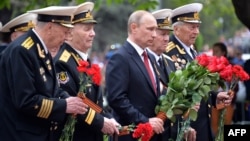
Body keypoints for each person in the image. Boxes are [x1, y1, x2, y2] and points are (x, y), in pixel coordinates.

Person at [0, 6, 89, 141]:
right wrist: (64, 105)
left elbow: (50, 88)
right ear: (50, 27)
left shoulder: (40, 48)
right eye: (65, 32)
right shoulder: (22, 50)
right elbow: (26, 101)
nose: (66, 38)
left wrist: (70, 100)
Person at [164, 3, 232, 141]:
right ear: (176, 29)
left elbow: (197, 88)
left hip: (201, 125)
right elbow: (171, 95)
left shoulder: (192, 50)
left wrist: (215, 97)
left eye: (197, 27)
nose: (196, 32)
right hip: (186, 129)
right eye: (192, 27)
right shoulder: (169, 53)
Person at [54, 2, 120, 141]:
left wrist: (108, 118)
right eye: (87, 29)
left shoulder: (83, 59)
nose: (93, 34)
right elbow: (73, 103)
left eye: (93, 29)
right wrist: (100, 122)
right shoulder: (62, 62)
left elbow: (95, 102)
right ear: (69, 34)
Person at [105, 10, 165, 141]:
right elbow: (117, 99)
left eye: (155, 30)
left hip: (152, 134)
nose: (154, 35)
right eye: (150, 29)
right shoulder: (120, 57)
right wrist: (145, 121)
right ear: (134, 28)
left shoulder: (149, 57)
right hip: (131, 135)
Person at [211, 42, 237, 136]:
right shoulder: (210, 67)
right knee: (214, 127)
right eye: (213, 51)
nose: (214, 54)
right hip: (215, 102)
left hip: (227, 101)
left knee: (226, 125)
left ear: (223, 52)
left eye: (216, 51)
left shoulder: (231, 66)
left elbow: (235, 85)